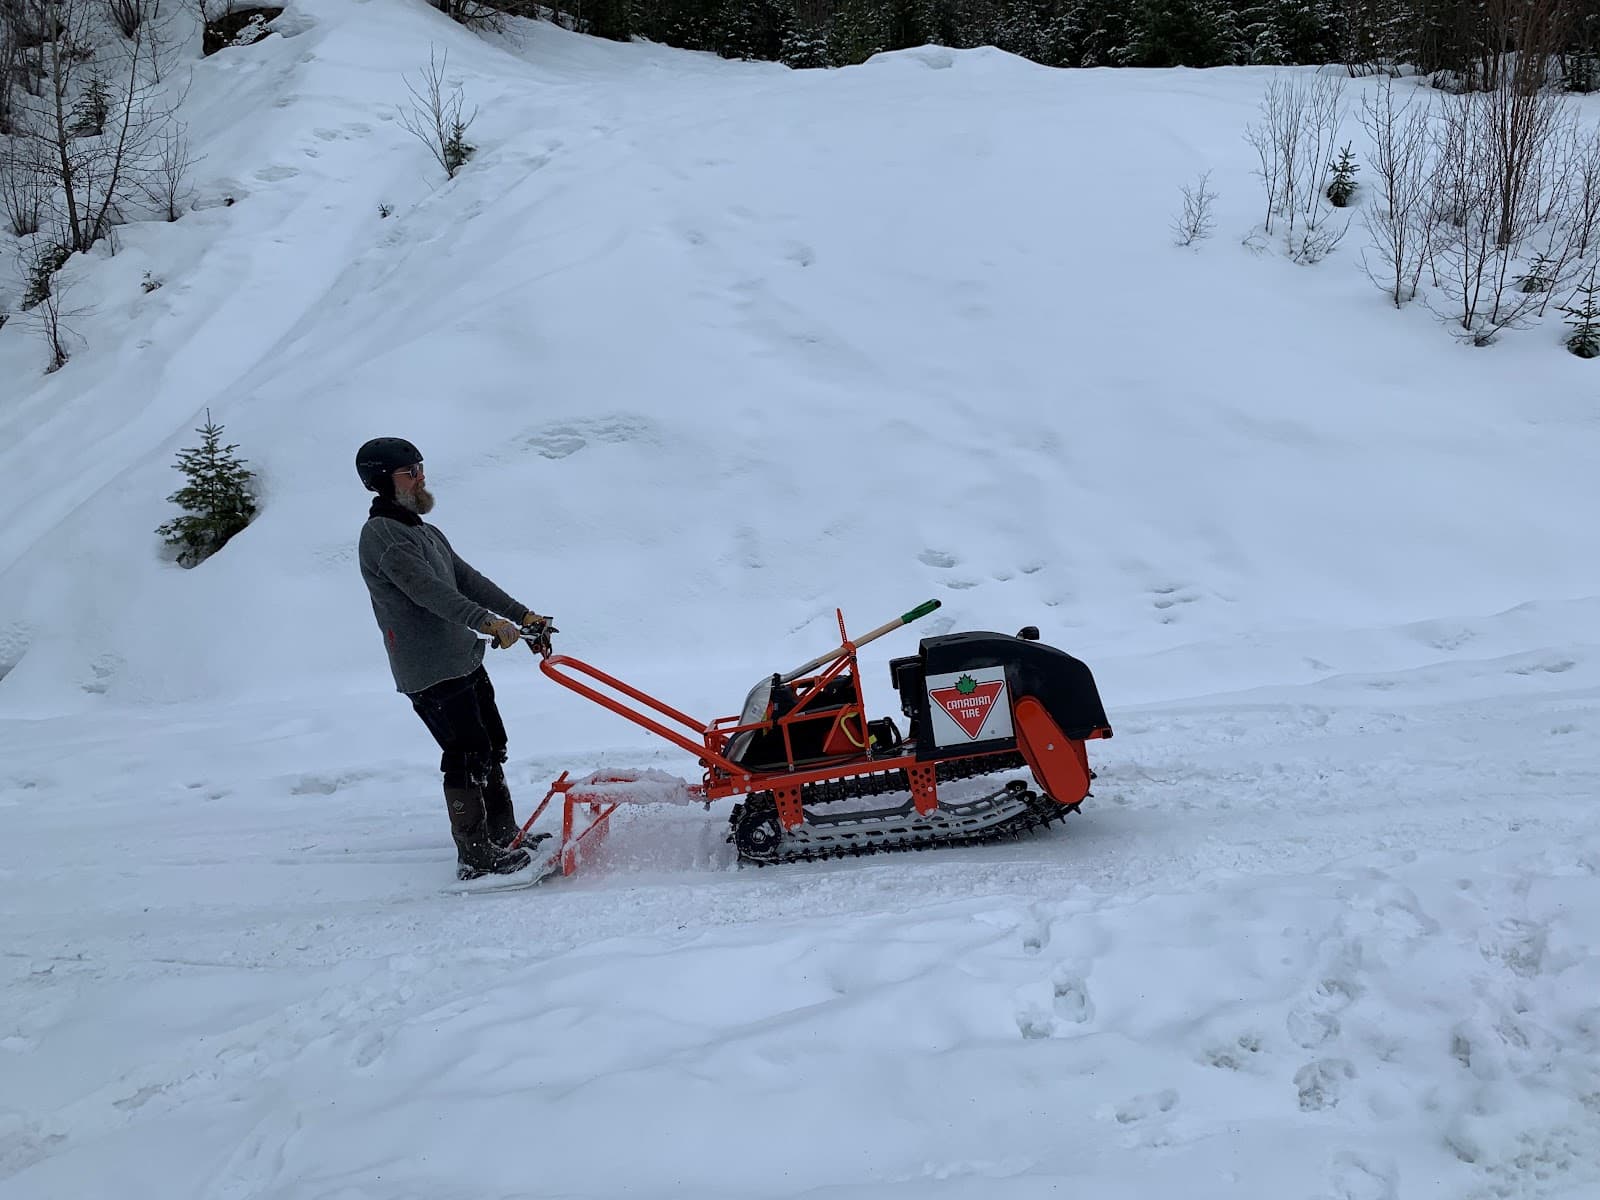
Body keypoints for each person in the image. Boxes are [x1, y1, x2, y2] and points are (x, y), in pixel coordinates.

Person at [355, 437, 556, 880]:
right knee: (466, 754)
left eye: (421, 467)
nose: (421, 476)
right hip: (430, 670)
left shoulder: (421, 530)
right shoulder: (384, 536)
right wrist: (486, 623)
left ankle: (504, 835)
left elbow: (466, 579)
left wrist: (521, 614)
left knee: (490, 747)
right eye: (410, 471)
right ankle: (475, 855)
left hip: (462, 659)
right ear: (382, 481)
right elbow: (429, 593)